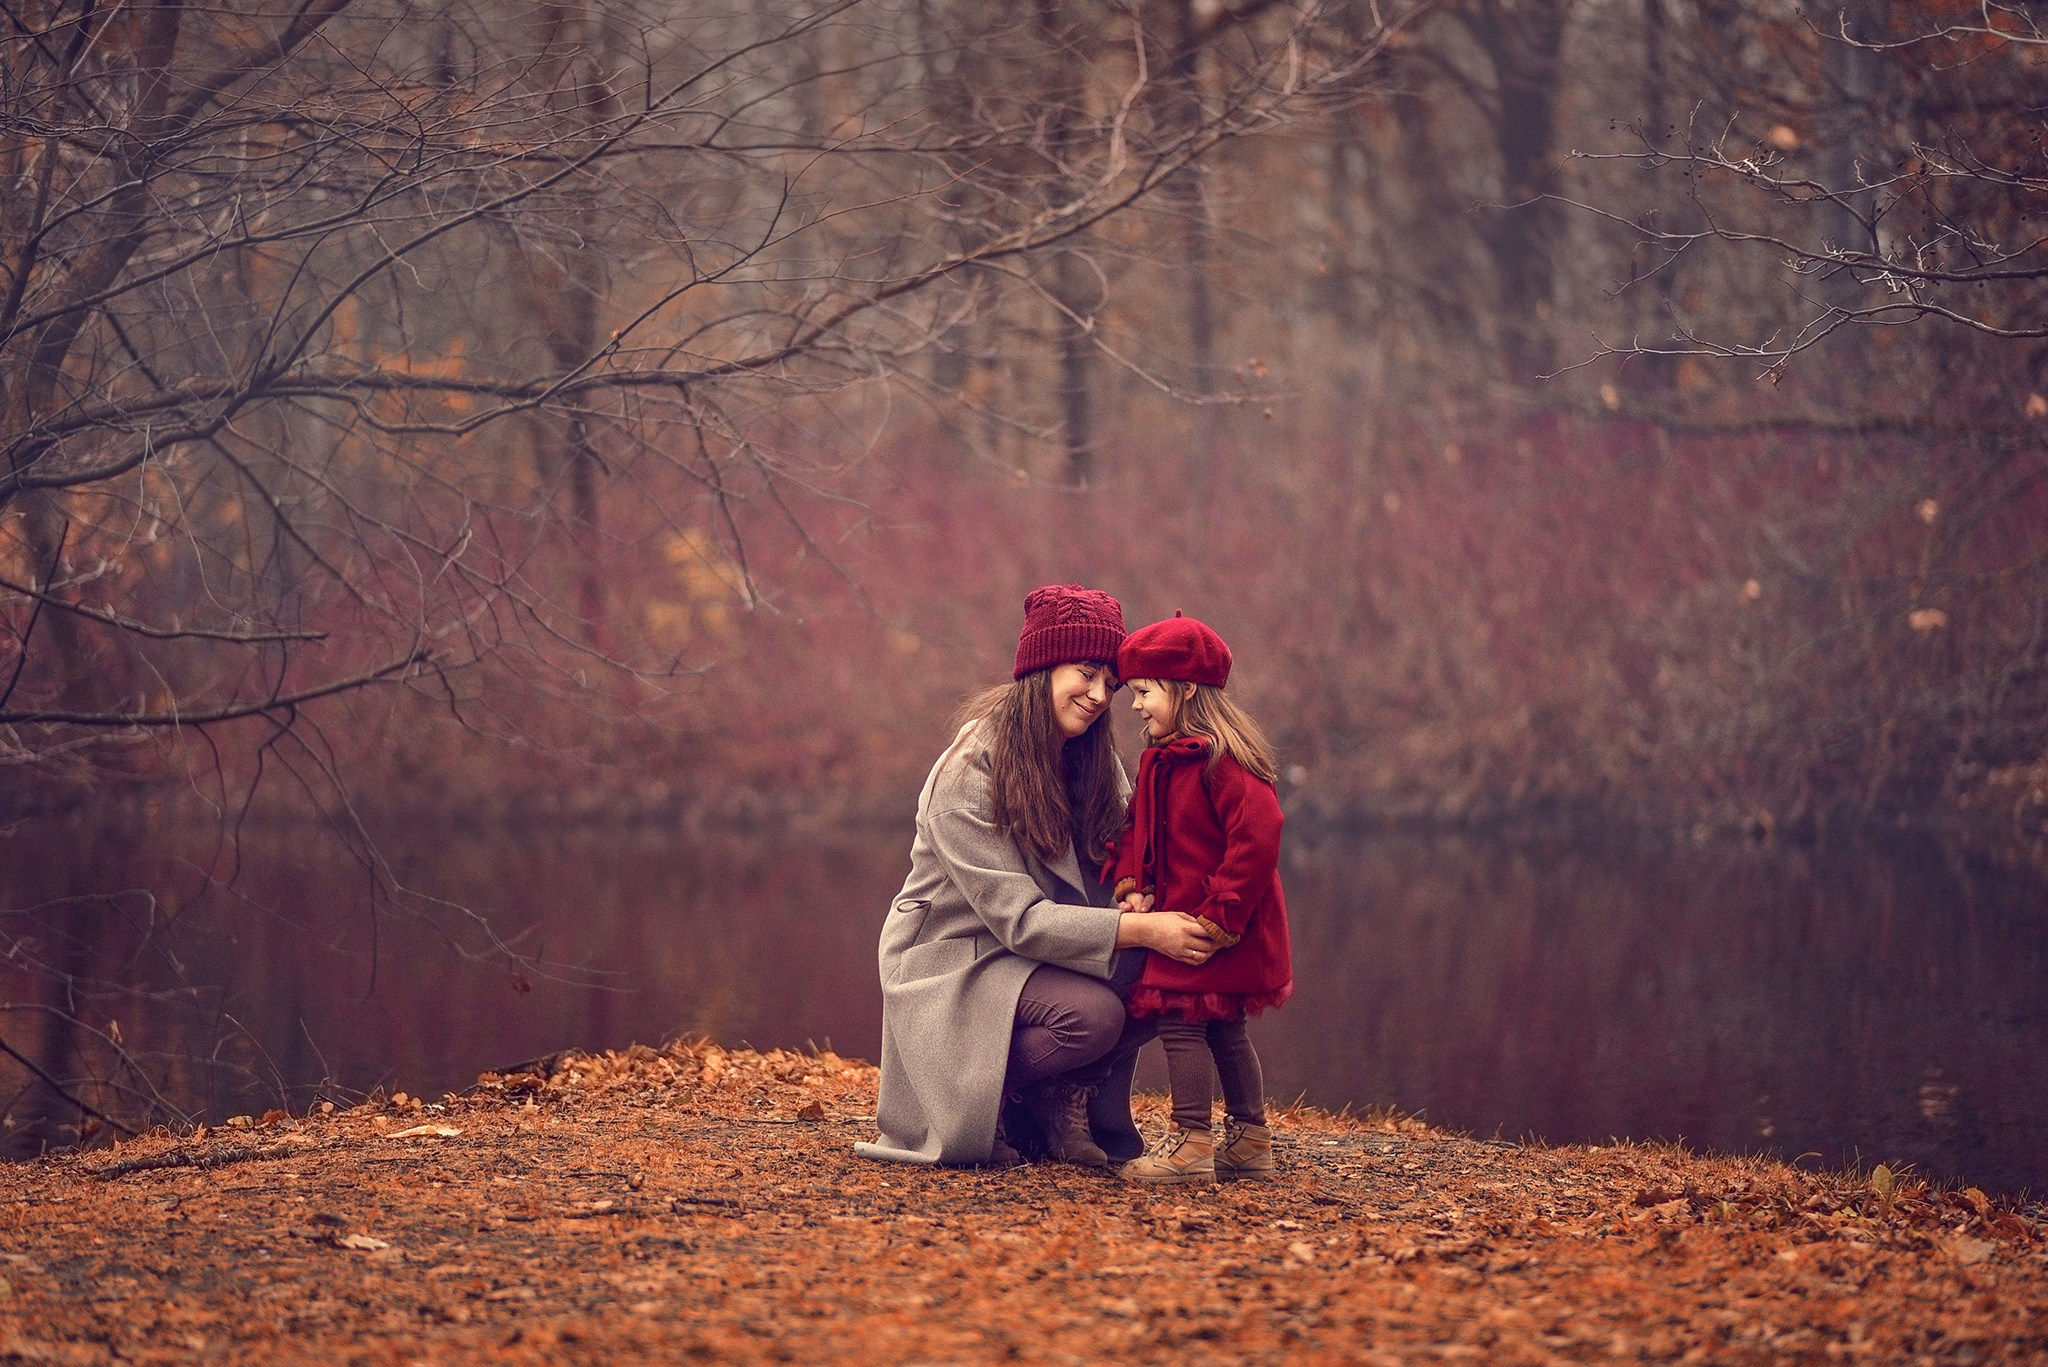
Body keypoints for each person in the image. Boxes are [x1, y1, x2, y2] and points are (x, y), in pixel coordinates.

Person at [855, 585, 1221, 1169]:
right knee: (1093, 1017)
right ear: (1040, 669)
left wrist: (1143, 892)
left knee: (1173, 979)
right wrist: (1148, 930)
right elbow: (1019, 922)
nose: (1101, 695)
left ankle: (1054, 1097)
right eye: (1086, 673)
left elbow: (1131, 849)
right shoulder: (968, 772)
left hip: (1041, 948)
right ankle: (984, 1092)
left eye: (1113, 681)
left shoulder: (1093, 758)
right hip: (957, 955)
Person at [1109, 613, 1294, 1183]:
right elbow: (1136, 832)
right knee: (1223, 1029)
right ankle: (1248, 1138)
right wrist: (1131, 887)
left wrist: (1220, 917)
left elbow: (1259, 838)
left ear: (1185, 689)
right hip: (1179, 922)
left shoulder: (1223, 761)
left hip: (1214, 927)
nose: (1135, 704)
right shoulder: (1159, 761)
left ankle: (1192, 1143)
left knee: (1183, 1026)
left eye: (1144, 692)